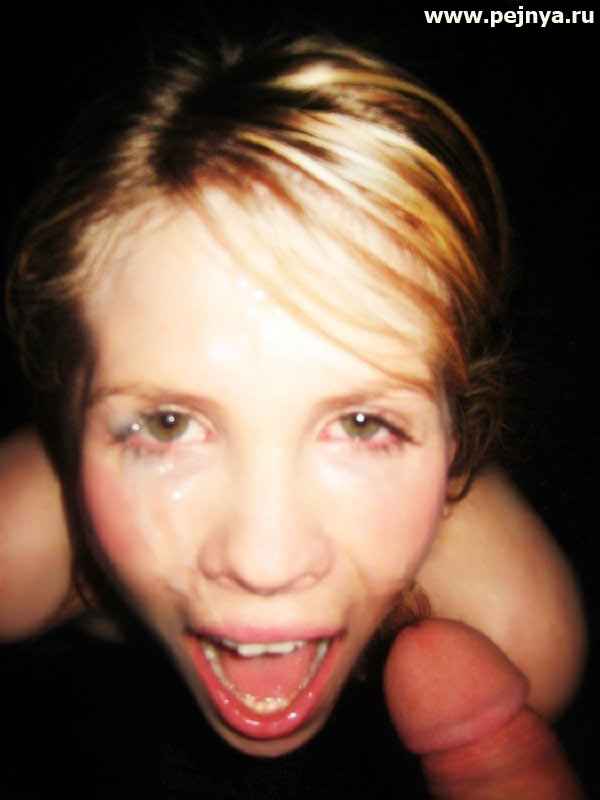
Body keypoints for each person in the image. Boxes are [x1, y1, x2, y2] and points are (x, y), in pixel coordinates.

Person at [0, 32, 585, 786]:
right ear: (65, 415)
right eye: (169, 425)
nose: (265, 563)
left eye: (362, 424)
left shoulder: (512, 638)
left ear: (458, 435)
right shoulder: (19, 544)